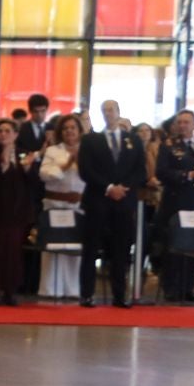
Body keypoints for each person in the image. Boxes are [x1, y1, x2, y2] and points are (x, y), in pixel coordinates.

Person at [78, 100, 146, 309]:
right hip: (98, 200)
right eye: (104, 110)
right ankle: (87, 295)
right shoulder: (91, 140)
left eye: (111, 110)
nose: (108, 114)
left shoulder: (132, 139)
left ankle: (119, 295)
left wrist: (124, 187)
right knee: (91, 249)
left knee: (121, 250)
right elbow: (85, 170)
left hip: (124, 202)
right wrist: (108, 187)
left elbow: (140, 171)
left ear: (118, 112)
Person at [0, 120, 35, 306]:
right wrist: (1, 166)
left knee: (13, 253)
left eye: (7, 131)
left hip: (17, 212)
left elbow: (33, 183)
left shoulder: (23, 154)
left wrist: (27, 170)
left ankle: (10, 290)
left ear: (15, 134)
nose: (3, 134)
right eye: (0, 131)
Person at [155, 110, 194, 303]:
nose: (183, 126)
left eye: (187, 122)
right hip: (176, 202)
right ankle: (171, 287)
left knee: (193, 246)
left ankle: (188, 288)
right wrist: (190, 175)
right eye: (180, 122)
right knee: (174, 246)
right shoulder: (168, 147)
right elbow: (162, 172)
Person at [36, 115, 85, 301]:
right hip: (55, 204)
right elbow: (44, 174)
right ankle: (50, 289)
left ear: (79, 131)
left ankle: (73, 289)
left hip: (78, 205)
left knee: (74, 248)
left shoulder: (86, 151)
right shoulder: (52, 151)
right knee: (52, 247)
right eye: (65, 128)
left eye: (73, 128)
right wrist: (65, 166)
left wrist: (79, 163)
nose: (69, 131)